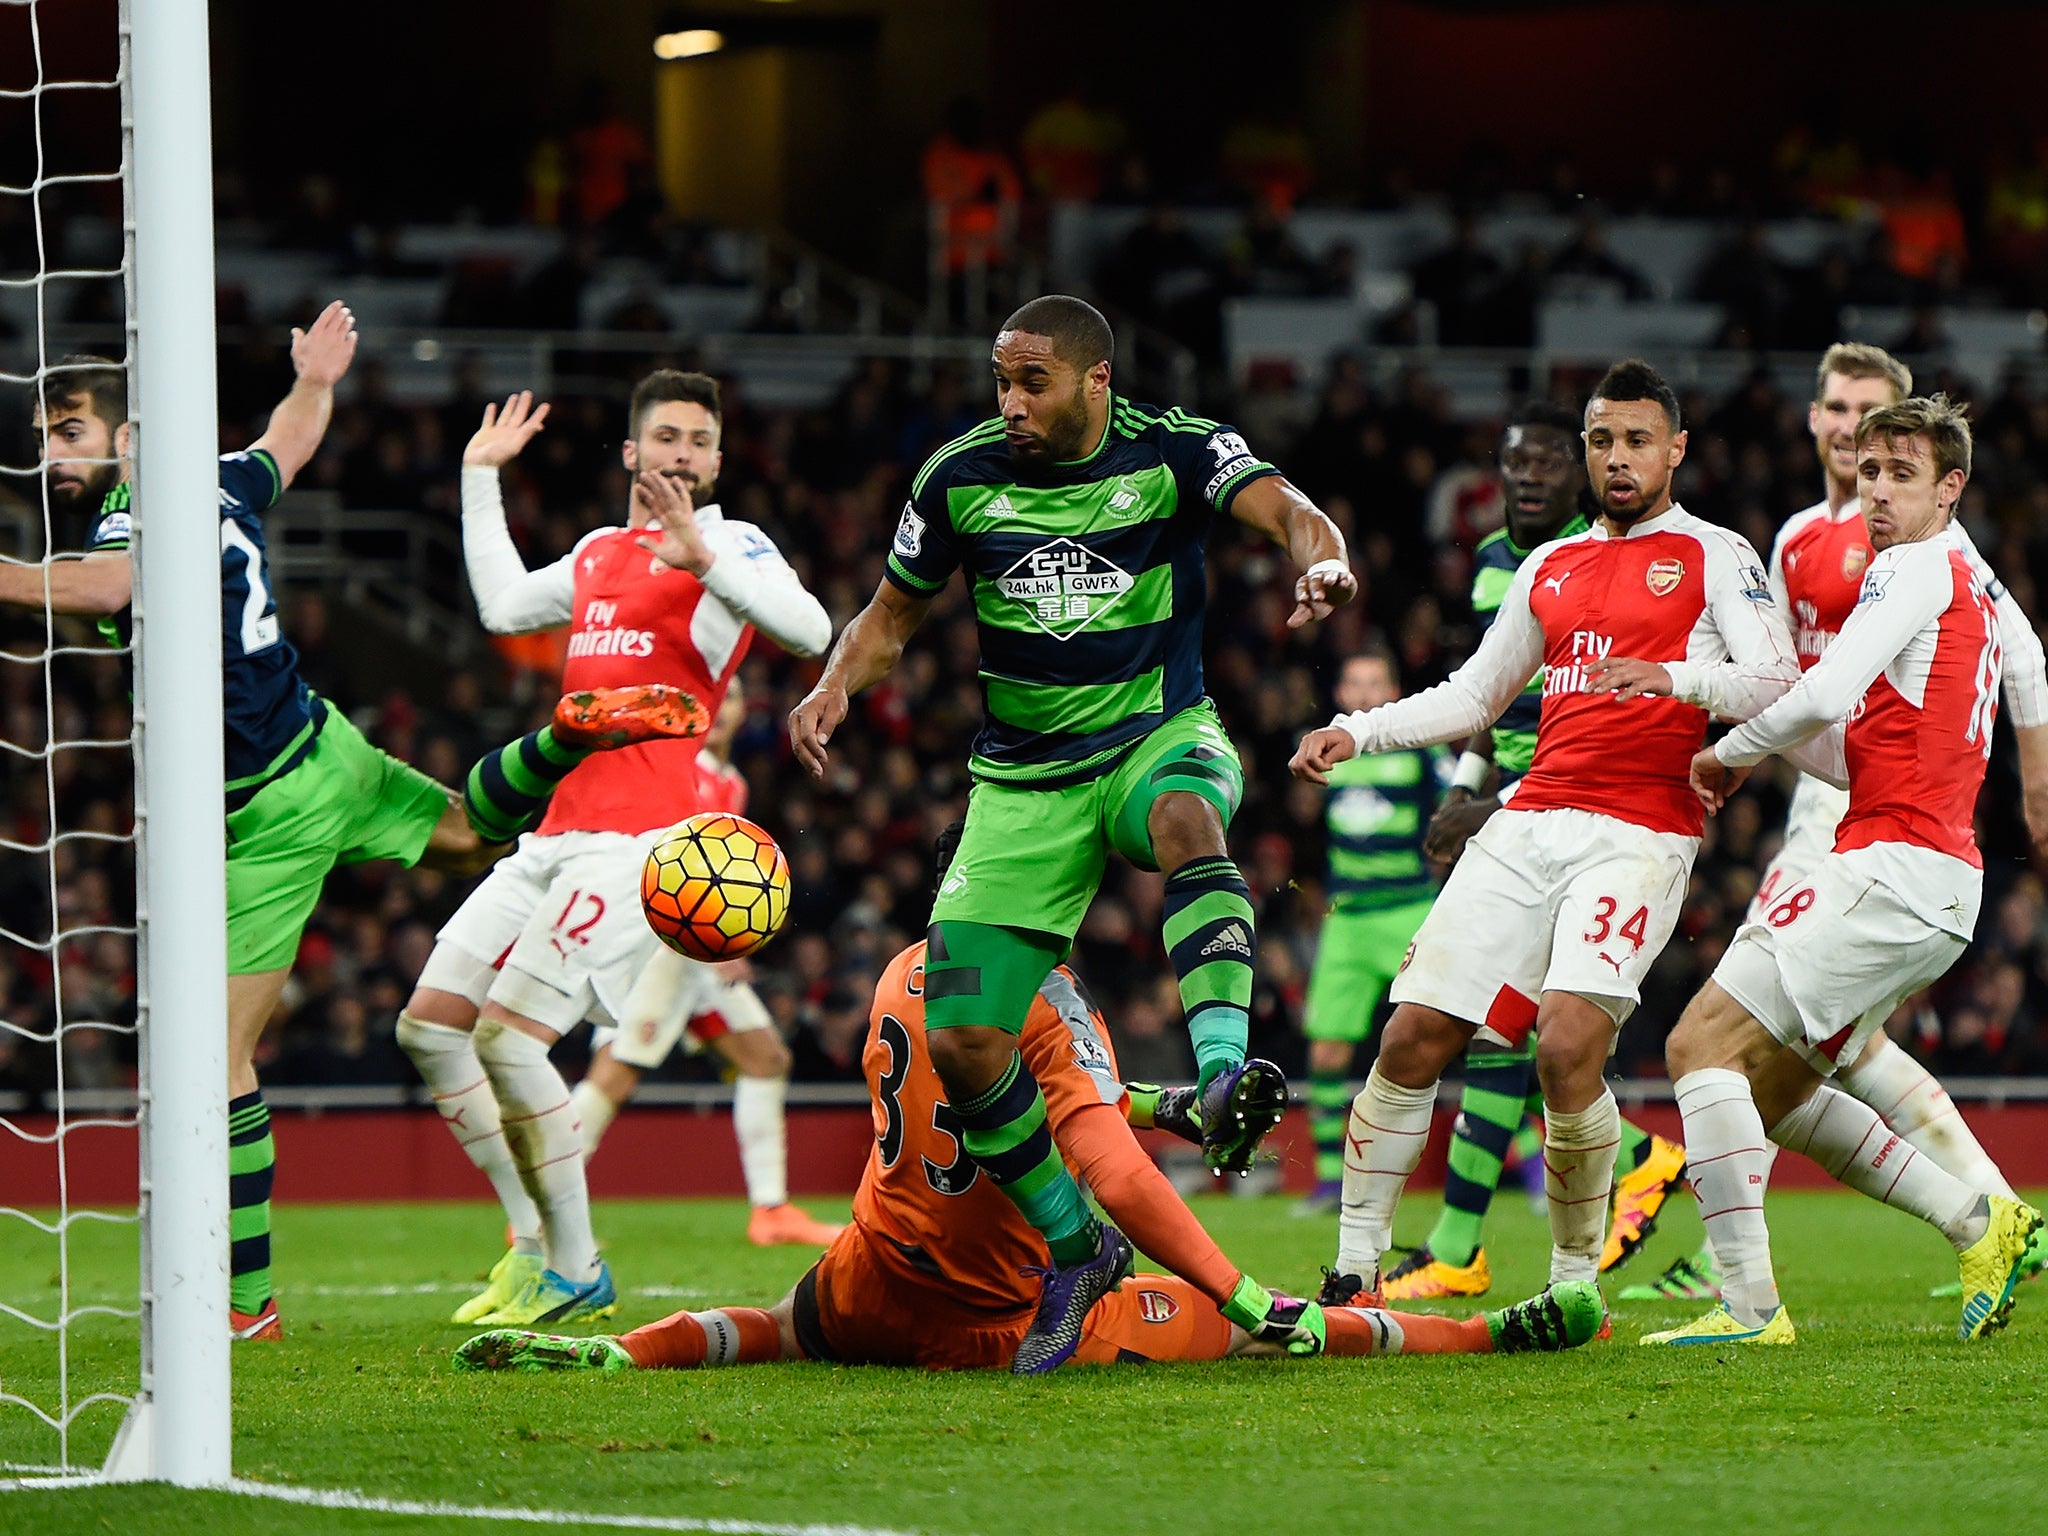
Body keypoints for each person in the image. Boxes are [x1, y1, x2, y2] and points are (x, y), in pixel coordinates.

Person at [455, 838, 1605, 1377]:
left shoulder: (907, 972)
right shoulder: (1051, 1000)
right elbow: (1107, 1171)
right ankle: (1490, 1329)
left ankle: (627, 1353)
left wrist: (1172, 1109)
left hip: (868, 1284)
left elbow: (1021, 1103)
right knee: (1283, 1331)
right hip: (1002, 1320)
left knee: (770, 1328)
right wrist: (1245, 1294)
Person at [788, 293, 1353, 1369]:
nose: (1007, 403)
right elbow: (889, 617)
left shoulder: (1172, 448)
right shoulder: (956, 477)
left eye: (1029, 384)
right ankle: (1074, 1244)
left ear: (1095, 381)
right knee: (961, 1040)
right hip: (1020, 785)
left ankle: (1224, 1070)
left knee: (1188, 819)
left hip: (1152, 734)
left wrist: (1316, 560)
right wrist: (834, 686)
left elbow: (1288, 509)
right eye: (1000, 382)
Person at [11, 311, 507, 1340]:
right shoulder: (220, 478)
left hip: (268, 810)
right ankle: (573, 744)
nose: (48, 454)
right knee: (474, 835)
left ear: (129, 435)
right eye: (42, 437)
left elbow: (112, 584)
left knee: (212, 1060)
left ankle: (245, 1307)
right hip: (324, 745)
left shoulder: (133, 518)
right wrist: (315, 379)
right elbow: (289, 440)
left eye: (67, 431)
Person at [1291, 359, 1798, 1318]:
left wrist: (1679, 682)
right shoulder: (1547, 566)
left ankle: (1570, 1286)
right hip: (1528, 818)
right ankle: (1353, 1272)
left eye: (1637, 440)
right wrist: (1355, 731)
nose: (1617, 458)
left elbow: (1778, 682)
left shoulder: (1715, 554)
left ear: (1675, 450)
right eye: (1602, 440)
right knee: (1412, 1036)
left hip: (1640, 832)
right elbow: (1476, 697)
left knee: (1567, 1048)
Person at [395, 375, 833, 1329]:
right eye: (664, 436)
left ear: (716, 462)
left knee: (509, 1041)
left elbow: (811, 631)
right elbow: (506, 608)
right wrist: (479, 479)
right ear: (631, 455)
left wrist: (704, 558)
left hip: (641, 843)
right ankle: (528, 1242)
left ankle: (576, 1265)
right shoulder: (598, 551)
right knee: (428, 1028)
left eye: (699, 440)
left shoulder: (736, 545)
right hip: (551, 832)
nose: (681, 452)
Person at [1623, 343, 2048, 1303]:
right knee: (1789, 1076)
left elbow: (1820, 696)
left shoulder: (1916, 569)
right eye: (1870, 465)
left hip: (1884, 855)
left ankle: (1745, 1303)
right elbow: (1842, 720)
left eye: (1901, 471)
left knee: (1702, 1047)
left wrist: (1719, 745)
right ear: (1824, 428)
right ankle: (1985, 1221)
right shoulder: (1874, 556)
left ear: (1951, 487)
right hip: (1912, 849)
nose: (1879, 487)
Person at [1388, 401, 1687, 1300]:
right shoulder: (1492, 564)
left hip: (1574, 817)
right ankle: (1464, 1244)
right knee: (1492, 1028)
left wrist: (1489, 806)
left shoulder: (1593, 562)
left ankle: (1617, 1168)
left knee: (1507, 1026)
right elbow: (1494, 703)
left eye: (1552, 462)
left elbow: (1592, 731)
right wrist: (1459, 793)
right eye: (1516, 461)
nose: (1531, 476)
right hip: (1509, 813)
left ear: (1583, 472)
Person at [568, 681, 842, 1249]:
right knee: (615, 1077)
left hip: (698, 956)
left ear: (744, 712)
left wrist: (726, 942)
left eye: (737, 696)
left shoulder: (731, 783)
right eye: (718, 693)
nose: (724, 706)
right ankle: (537, 1205)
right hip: (656, 948)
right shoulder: (674, 769)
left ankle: (770, 1210)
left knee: (766, 1058)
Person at [1297, 651, 1451, 1214]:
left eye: (1374, 682)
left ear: (1392, 689)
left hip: (1409, 910)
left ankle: (1531, 1163)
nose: (1363, 693)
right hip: (1348, 920)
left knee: (1463, 1034)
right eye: (1354, 682)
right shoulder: (1326, 751)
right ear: (1339, 692)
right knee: (1327, 1048)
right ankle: (1326, 1180)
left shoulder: (1420, 748)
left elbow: (1455, 808)